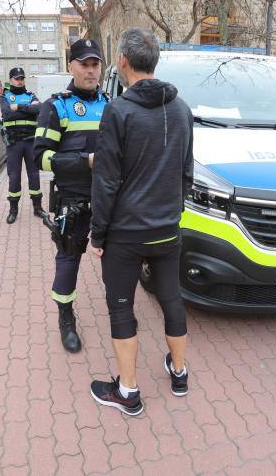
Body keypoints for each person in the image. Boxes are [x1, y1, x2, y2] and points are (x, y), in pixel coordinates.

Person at [88, 28, 194, 415]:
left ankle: (128, 392)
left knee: (121, 307)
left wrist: (98, 233)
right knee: (171, 298)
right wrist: (172, 214)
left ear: (122, 62)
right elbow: (186, 172)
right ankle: (179, 372)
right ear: (155, 61)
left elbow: (107, 180)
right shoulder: (182, 109)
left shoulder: (118, 111)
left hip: (125, 234)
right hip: (167, 229)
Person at [33, 39, 109, 353]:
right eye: (84, 64)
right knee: (68, 261)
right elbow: (40, 158)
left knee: (117, 261)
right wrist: (83, 161)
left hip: (108, 199)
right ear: (71, 67)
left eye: (95, 64)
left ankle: (119, 309)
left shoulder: (110, 104)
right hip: (73, 200)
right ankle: (66, 318)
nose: (91, 70)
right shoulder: (56, 106)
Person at [1, 67, 45, 224]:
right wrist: (28, 110)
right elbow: (7, 114)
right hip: (14, 143)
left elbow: (39, 108)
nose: (20, 81)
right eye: (16, 78)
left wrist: (19, 108)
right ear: (11, 80)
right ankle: (13, 210)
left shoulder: (31, 95)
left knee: (34, 175)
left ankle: (37, 207)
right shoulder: (6, 96)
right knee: (14, 176)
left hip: (30, 141)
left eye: (22, 78)